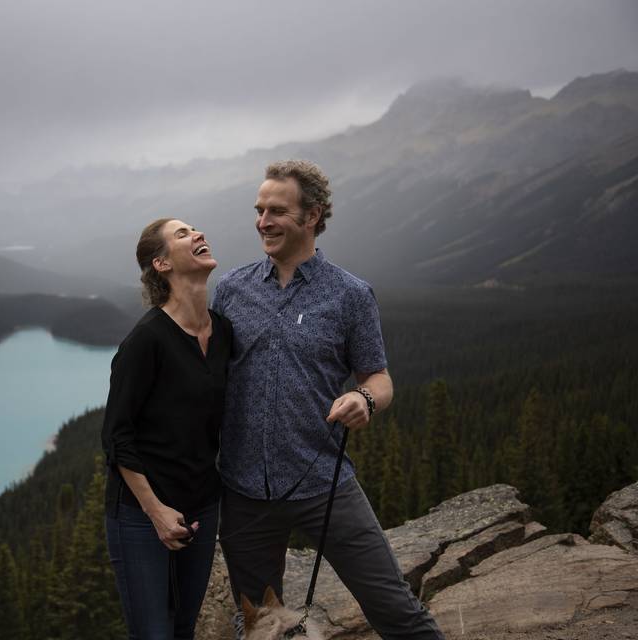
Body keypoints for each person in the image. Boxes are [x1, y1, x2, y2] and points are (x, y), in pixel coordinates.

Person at [211, 160, 445, 639]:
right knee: (256, 624)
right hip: (243, 491)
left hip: (322, 481)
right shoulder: (232, 289)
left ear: (312, 215)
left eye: (277, 210)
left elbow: (378, 378)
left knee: (395, 609)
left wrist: (364, 399)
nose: (263, 221)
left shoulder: (349, 295)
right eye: (259, 210)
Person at [102, 218, 233, 640]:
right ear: (161, 264)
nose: (198, 234)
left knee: (182, 629)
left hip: (200, 504)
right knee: (154, 634)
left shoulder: (223, 331)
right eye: (183, 234)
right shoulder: (146, 340)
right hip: (140, 515)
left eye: (196, 229)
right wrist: (155, 511)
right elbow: (116, 436)